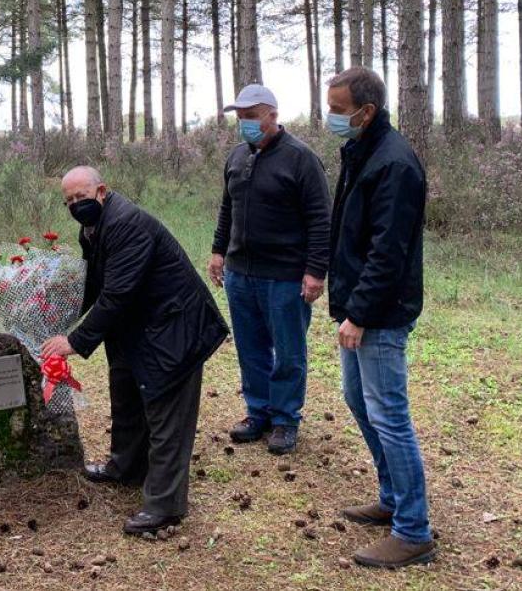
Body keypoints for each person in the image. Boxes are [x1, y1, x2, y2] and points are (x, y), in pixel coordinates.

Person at [41, 166, 228, 536]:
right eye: (69, 201)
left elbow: (118, 293)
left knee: (166, 412)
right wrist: (57, 316)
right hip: (137, 326)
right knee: (125, 393)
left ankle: (165, 505)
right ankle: (125, 467)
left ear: (102, 191)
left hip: (173, 327)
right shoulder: (93, 227)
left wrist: (75, 342)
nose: (76, 206)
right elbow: (94, 282)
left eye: (81, 196)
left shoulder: (127, 224)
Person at [325, 67, 435, 568]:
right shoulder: (360, 151)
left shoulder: (395, 163)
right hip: (358, 307)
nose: (331, 118)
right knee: (357, 398)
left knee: (389, 416)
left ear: (366, 111)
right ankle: (391, 497)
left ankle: (413, 530)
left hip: (381, 314)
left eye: (339, 110)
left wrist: (361, 314)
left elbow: (387, 252)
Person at [209, 84, 330, 455]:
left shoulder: (300, 159)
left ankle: (285, 419)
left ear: (272, 116)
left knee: (288, 350)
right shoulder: (236, 157)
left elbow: (321, 220)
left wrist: (315, 271)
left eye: (251, 116)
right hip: (240, 273)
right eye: (240, 117)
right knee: (250, 348)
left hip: (285, 275)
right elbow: (227, 209)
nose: (244, 123)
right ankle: (257, 412)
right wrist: (218, 252)